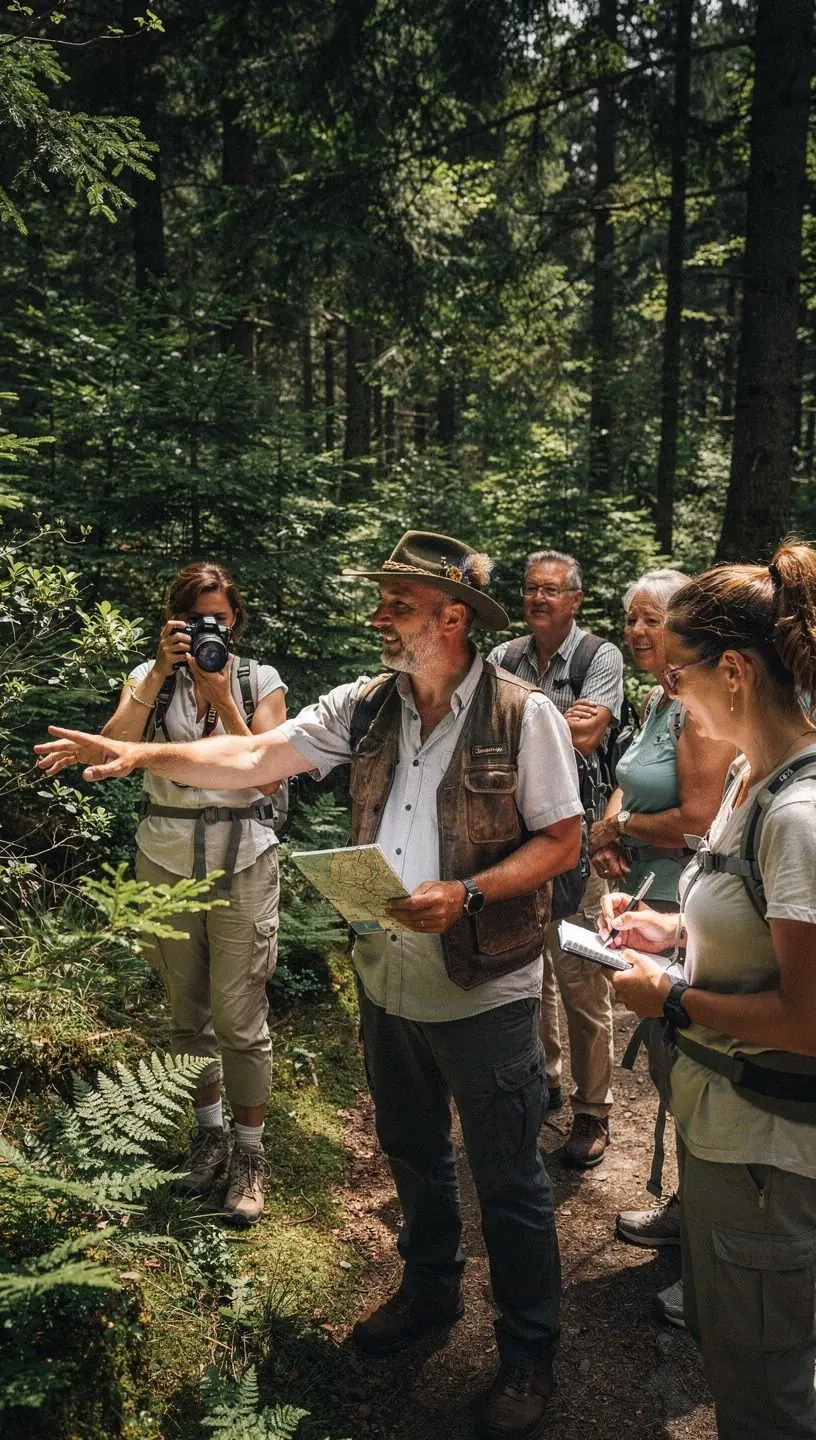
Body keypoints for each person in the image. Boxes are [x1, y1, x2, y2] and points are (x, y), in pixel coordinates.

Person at [37, 531, 584, 1440]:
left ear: (453, 618)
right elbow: (257, 756)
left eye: (397, 606)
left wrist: (470, 892)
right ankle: (429, 1291)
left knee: (510, 1178)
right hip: (387, 975)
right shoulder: (367, 705)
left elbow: (563, 840)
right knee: (412, 1149)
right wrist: (140, 756)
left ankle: (528, 1353)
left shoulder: (524, 717)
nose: (378, 618)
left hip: (483, 986)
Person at [599, 540, 816, 1440]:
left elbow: (808, 1020)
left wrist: (673, 1001)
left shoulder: (799, 815)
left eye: (677, 671)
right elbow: (758, 927)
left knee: (765, 1387)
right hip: (728, 1127)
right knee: (735, 1351)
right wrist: (672, 932)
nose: (668, 690)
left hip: (773, 1147)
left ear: (734, 670)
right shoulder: (745, 775)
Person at [101, 561, 287, 1226]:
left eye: (220, 618)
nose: (211, 629)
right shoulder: (149, 680)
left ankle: (249, 1152)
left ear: (236, 620)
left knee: (240, 1017)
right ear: (174, 622)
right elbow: (110, 751)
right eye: (196, 619)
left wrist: (224, 697)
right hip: (166, 858)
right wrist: (157, 672)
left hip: (244, 858)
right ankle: (208, 1135)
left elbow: (269, 774)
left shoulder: (260, 681)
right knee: (187, 1014)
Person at [589, 569, 734, 1324]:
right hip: (649, 901)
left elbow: (698, 818)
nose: (641, 633)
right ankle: (688, 1214)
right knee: (673, 1076)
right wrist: (609, 831)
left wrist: (616, 827)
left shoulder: (698, 711)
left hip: (692, 904)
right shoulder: (655, 701)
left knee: (699, 1076)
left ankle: (717, 1261)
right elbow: (628, 782)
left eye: (655, 621)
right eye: (633, 621)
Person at [488, 549, 625, 1168]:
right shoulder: (504, 656)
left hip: (577, 844)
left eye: (551, 590)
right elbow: (483, 737)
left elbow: (586, 737)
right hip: (516, 842)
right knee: (529, 969)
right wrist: (549, 728)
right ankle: (544, 1079)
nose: (538, 599)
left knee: (581, 978)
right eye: (530, 589)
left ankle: (593, 1109)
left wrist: (520, 733)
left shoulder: (600, 657)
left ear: (575, 599)